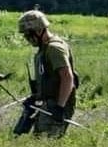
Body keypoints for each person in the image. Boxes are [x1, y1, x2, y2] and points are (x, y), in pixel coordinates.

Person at [18, 10, 78, 138]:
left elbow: (67, 78)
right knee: (38, 142)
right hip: (48, 104)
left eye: (29, 35)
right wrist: (35, 97)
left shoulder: (54, 48)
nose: (27, 39)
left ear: (39, 31)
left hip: (56, 105)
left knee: (47, 143)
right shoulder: (43, 50)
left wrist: (60, 107)